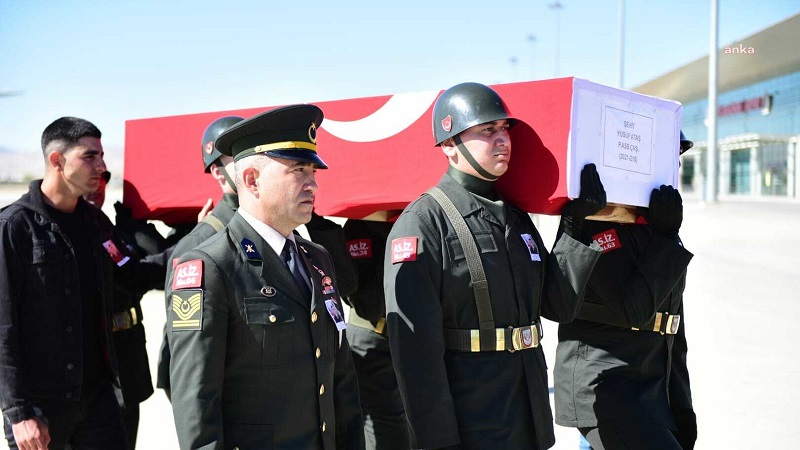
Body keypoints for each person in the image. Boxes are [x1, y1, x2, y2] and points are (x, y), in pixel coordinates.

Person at [383, 82, 607, 450]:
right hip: (473, 421)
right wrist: (438, 441)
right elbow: (415, 354)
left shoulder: (515, 218)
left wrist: (574, 230)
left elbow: (558, 306)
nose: (503, 139)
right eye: (487, 130)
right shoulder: (424, 223)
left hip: (526, 410)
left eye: (504, 129)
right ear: (450, 145)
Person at [166, 104, 364, 449]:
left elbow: (340, 379)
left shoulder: (317, 259)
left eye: (314, 171)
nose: (313, 184)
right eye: (298, 170)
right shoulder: (210, 267)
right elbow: (196, 402)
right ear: (251, 180)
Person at [554, 131, 697, 449]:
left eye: (676, 157)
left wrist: (681, 403)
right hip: (607, 384)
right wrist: (665, 238)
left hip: (654, 384)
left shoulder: (651, 220)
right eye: (666, 157)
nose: (674, 166)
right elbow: (634, 308)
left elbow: (672, 319)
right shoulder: (598, 217)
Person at [0, 117, 128, 449]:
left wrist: (194, 243)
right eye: (90, 156)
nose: (101, 166)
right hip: (40, 407)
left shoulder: (93, 221)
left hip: (97, 398)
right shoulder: (13, 228)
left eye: (101, 155)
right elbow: (3, 327)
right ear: (57, 161)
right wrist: (18, 413)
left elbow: (130, 271)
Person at [84, 170, 174, 449]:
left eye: (105, 176)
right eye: (90, 169)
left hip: (126, 356)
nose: (98, 182)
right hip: (94, 364)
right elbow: (134, 277)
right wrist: (198, 237)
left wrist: (135, 225)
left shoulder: (108, 227)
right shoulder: (77, 230)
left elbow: (157, 271)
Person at [155, 115, 243, 399]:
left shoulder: (278, 232)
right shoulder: (197, 246)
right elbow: (187, 361)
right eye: (240, 157)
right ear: (219, 172)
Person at [342, 218, 410, 450]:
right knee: (387, 432)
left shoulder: (416, 217)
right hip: (373, 340)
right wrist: (395, 239)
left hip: (413, 340)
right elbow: (369, 304)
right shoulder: (359, 227)